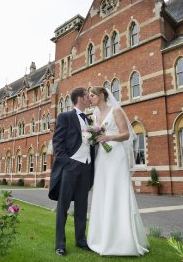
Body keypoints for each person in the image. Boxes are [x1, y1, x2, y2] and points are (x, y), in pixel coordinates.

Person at [86, 86, 149, 256]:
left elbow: (126, 134)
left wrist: (108, 137)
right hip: (103, 157)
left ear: (101, 95)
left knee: (117, 191)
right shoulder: (95, 115)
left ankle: (123, 240)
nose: (89, 98)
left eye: (92, 95)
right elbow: (96, 134)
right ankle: (101, 238)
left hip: (116, 155)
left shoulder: (116, 110)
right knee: (103, 192)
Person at [48, 87, 95, 256]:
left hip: (86, 167)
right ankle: (60, 244)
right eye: (87, 96)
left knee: (82, 206)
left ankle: (81, 240)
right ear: (80, 98)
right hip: (71, 166)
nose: (90, 99)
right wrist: (68, 163)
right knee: (63, 206)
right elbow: (58, 143)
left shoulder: (89, 121)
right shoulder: (65, 117)